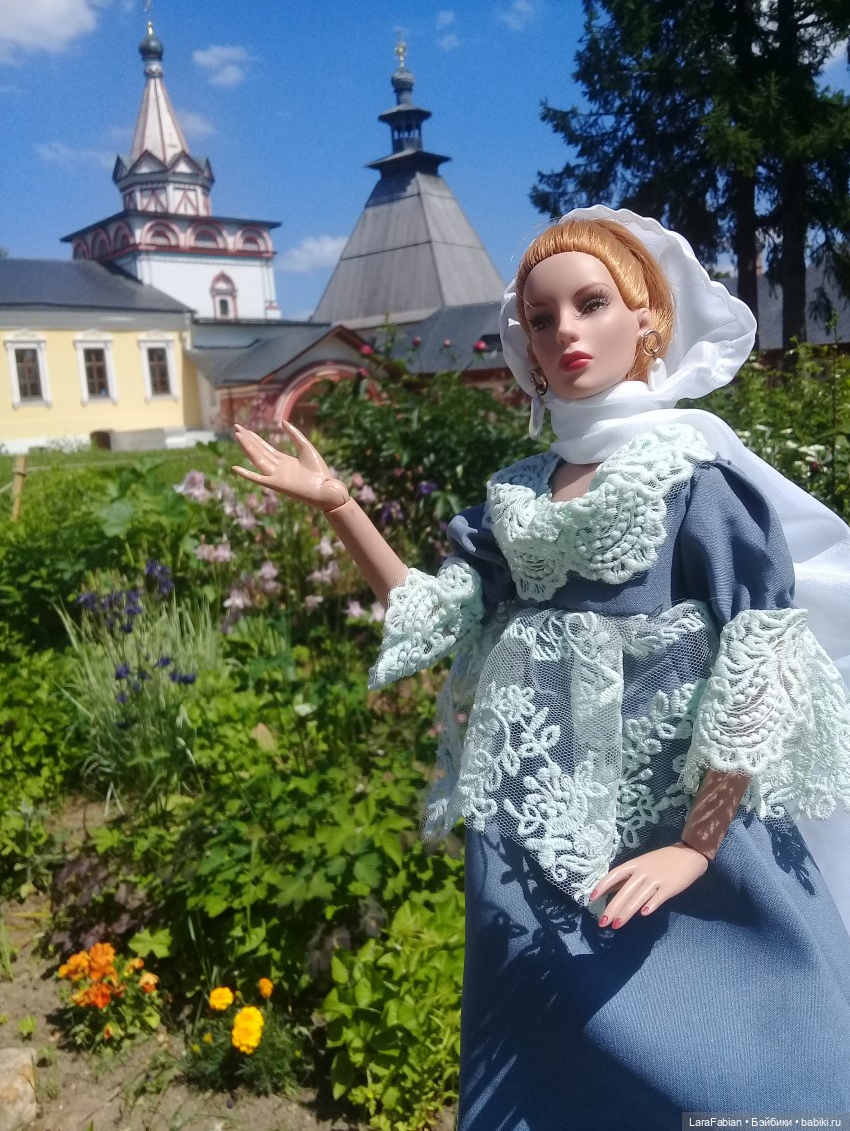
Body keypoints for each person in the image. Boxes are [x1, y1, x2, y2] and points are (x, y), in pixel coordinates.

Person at [233, 206, 850, 1130]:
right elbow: (436, 609)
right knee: (550, 1062)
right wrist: (338, 505)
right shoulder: (518, 497)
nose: (565, 331)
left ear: (647, 318)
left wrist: (697, 842)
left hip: (683, 821)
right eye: (542, 316)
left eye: (591, 304)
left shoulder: (694, 478)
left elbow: (755, 653)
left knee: (756, 1058)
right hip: (538, 825)